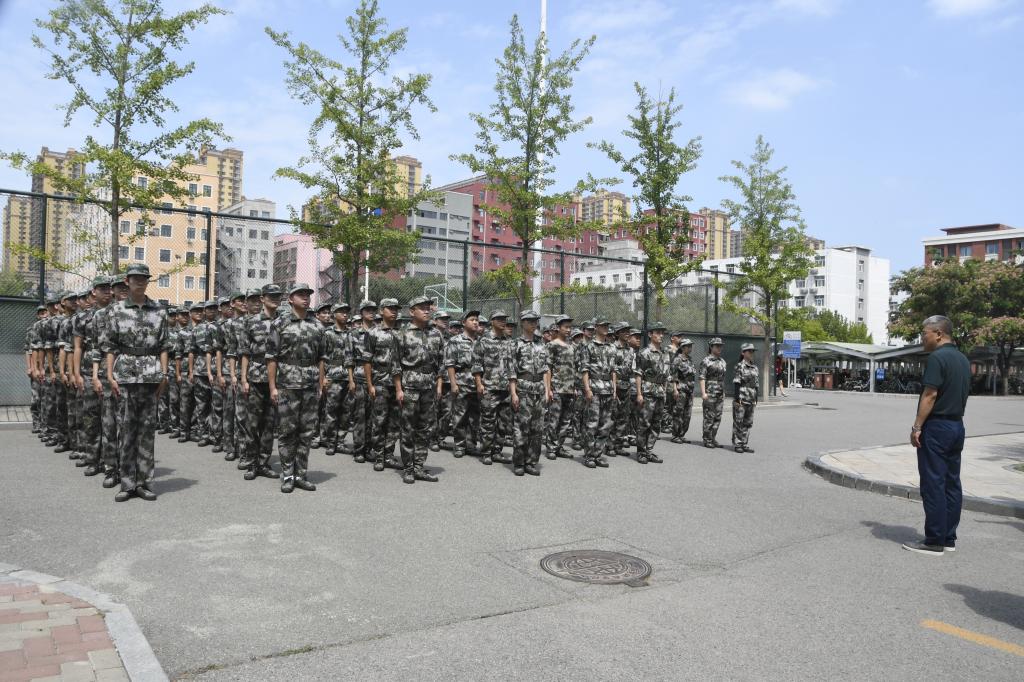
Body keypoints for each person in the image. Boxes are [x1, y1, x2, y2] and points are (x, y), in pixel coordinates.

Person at [902, 315, 970, 557]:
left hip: (937, 427)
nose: (923, 338)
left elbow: (930, 395)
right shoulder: (962, 359)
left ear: (939, 334)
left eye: (925, 333)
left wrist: (917, 427)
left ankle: (934, 541)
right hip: (957, 426)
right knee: (952, 483)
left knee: (933, 483)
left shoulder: (937, 358)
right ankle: (948, 537)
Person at [101, 264, 169, 502]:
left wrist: (164, 374)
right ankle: (127, 483)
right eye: (135, 278)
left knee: (147, 432)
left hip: (151, 375)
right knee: (127, 430)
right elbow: (110, 346)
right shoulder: (116, 310)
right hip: (125, 375)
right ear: (127, 281)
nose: (140, 282)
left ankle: (145, 483)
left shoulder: (159, 311)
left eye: (144, 278)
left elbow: (164, 346)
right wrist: (110, 375)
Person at [267, 283, 326, 493]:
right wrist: (272, 387)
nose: (305, 297)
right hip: (287, 385)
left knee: (306, 432)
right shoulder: (280, 323)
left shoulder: (317, 325)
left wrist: (320, 384)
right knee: (287, 432)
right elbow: (271, 357)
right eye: (300, 294)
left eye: (307, 294)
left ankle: (301, 474)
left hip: (310, 385)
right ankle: (288, 475)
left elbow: (321, 358)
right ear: (290, 299)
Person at [394, 296, 444, 484]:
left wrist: (439, 385)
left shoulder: (436, 334)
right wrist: (398, 389)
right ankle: (408, 468)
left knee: (425, 429)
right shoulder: (402, 334)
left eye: (428, 307)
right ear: (411, 311)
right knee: (408, 428)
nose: (426, 310)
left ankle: (419, 466)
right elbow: (395, 365)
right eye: (422, 307)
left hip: (429, 387)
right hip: (410, 387)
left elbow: (441, 362)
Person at [239, 284, 282, 481]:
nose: (275, 298)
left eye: (278, 296)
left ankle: (264, 463)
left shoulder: (284, 321)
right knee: (252, 423)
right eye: (271, 296)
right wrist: (243, 379)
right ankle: (252, 462)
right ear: (262, 298)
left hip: (278, 379)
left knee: (269, 423)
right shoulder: (251, 322)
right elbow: (245, 353)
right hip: (256, 377)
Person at [508, 310, 551, 476]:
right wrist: (513, 393)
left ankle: (531, 462)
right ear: (523, 323)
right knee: (521, 428)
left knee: (537, 429)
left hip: (539, 389)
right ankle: (519, 462)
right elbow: (512, 371)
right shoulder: (515, 344)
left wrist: (547, 390)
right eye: (530, 321)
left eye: (535, 321)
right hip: (523, 389)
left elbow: (545, 369)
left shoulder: (541, 344)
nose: (534, 324)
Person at [474, 310, 511, 466]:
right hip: (489, 387)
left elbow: (512, 365)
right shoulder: (483, 340)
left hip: (505, 388)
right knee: (488, 422)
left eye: (504, 319)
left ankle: (497, 451)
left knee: (503, 423)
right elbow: (477, 365)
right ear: (492, 321)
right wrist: (479, 384)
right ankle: (486, 452)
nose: (503, 321)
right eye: (499, 319)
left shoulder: (508, 341)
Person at [445, 310, 481, 459]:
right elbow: (450, 364)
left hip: (478, 383)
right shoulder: (455, 341)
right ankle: (459, 445)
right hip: (461, 381)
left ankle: (471, 444)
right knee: (460, 416)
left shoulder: (481, 341)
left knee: (475, 416)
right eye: (472, 319)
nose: (476, 322)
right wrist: (453, 384)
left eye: (477, 320)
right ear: (463, 323)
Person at [580, 318, 615, 468]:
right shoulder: (588, 347)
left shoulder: (611, 347)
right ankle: (589, 455)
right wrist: (587, 389)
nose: (606, 328)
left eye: (607, 325)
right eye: (603, 326)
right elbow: (584, 370)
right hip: (594, 388)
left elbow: (613, 371)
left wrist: (614, 389)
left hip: (608, 389)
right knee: (592, 424)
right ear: (596, 327)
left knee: (605, 425)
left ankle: (598, 454)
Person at [634, 322, 670, 464]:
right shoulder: (644, 353)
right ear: (650, 334)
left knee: (656, 423)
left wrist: (665, 390)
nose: (661, 335)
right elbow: (638, 374)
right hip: (648, 391)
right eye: (658, 332)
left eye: (662, 333)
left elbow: (666, 375)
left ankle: (649, 450)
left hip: (660, 392)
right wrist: (639, 394)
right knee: (644, 423)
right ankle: (641, 452)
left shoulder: (665, 353)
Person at [545, 314, 576, 460]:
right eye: (566, 327)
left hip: (569, 389)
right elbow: (548, 368)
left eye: (570, 327)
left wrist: (575, 387)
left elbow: (573, 368)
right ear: (558, 328)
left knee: (566, 420)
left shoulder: (572, 346)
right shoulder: (552, 345)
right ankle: (551, 448)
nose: (568, 330)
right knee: (554, 420)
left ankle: (559, 446)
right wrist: (549, 389)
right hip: (557, 388)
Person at [699, 337, 727, 448]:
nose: (719, 348)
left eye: (721, 346)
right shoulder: (706, 361)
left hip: (720, 393)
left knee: (717, 417)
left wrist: (723, 392)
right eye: (717, 346)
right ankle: (707, 439)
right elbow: (702, 377)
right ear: (711, 347)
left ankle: (712, 438)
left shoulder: (723, 361)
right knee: (709, 417)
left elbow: (723, 378)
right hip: (710, 393)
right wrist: (703, 393)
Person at [732, 343, 759, 453]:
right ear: (743, 353)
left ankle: (744, 443)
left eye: (752, 351)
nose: (751, 353)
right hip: (742, 398)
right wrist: (736, 399)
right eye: (749, 351)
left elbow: (756, 384)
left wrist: (756, 398)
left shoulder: (755, 367)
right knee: (739, 422)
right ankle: (738, 444)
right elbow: (737, 383)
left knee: (748, 422)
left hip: (751, 399)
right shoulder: (740, 366)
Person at [670, 337, 696, 444]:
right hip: (681, 390)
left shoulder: (690, 359)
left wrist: (693, 391)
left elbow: (692, 376)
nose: (690, 348)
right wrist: (675, 390)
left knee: (687, 415)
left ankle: (681, 434)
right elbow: (673, 376)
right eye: (688, 346)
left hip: (689, 390)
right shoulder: (677, 359)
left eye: (690, 346)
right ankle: (675, 435)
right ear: (682, 347)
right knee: (678, 413)